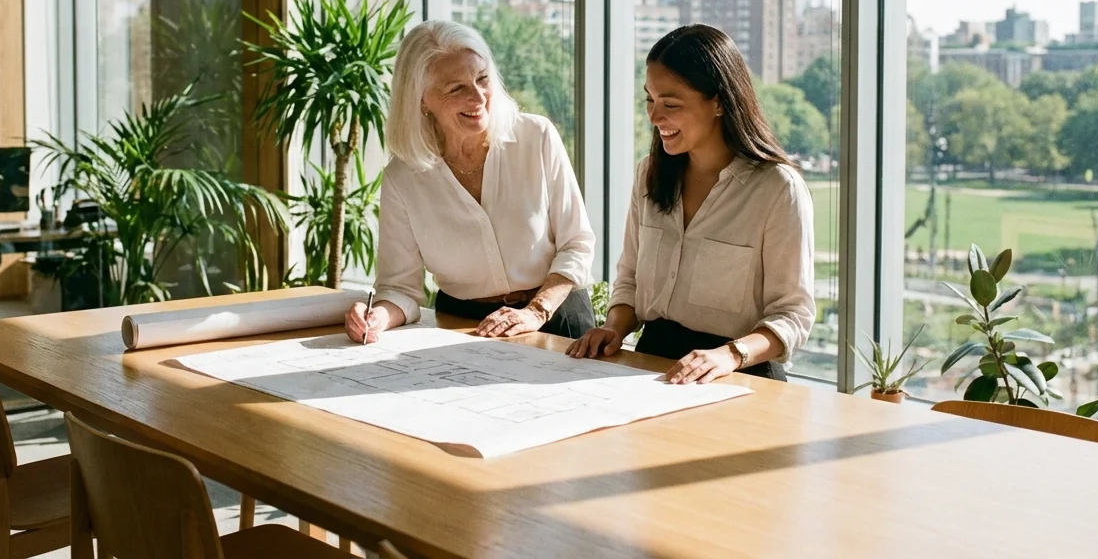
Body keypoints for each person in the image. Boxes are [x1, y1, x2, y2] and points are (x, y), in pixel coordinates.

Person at [566, 24, 815, 383]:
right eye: (649, 100)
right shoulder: (649, 174)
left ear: (718, 101)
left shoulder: (778, 189)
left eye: (671, 104)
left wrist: (729, 356)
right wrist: (615, 327)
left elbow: (793, 314)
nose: (654, 116)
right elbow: (630, 278)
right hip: (652, 367)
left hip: (741, 374)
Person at [347, 20, 596, 344]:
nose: (478, 97)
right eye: (456, 88)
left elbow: (576, 243)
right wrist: (376, 317)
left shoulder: (536, 137)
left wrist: (535, 310)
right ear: (422, 100)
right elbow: (400, 288)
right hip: (462, 328)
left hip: (554, 315)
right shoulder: (402, 178)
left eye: (482, 79)